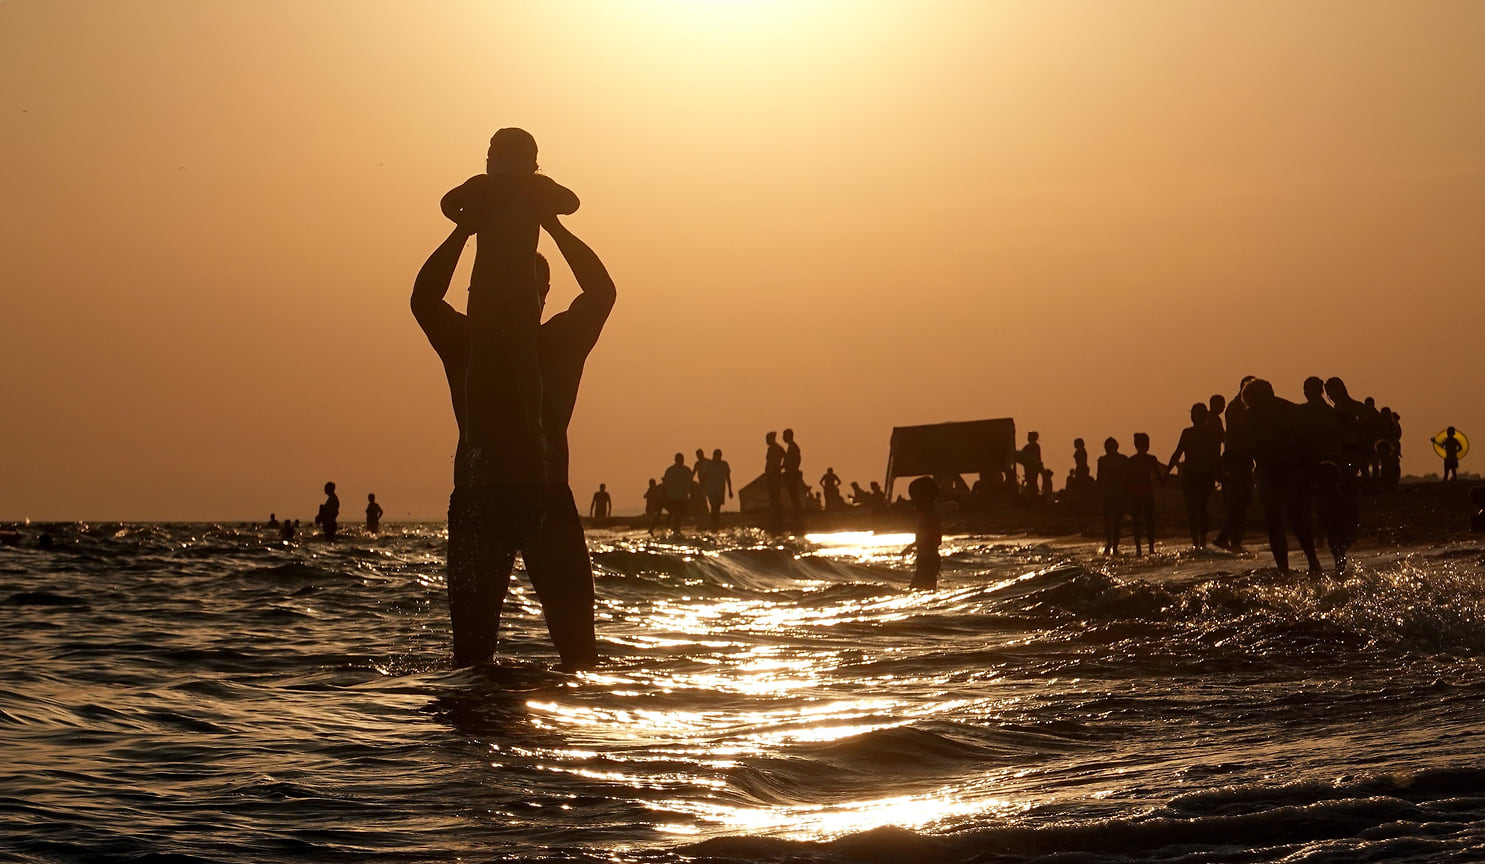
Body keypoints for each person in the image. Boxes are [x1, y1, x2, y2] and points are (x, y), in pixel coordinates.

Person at [411, 207, 614, 670]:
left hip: (540, 499)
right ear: (473, 296)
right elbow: (422, 299)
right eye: (489, 292)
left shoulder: (558, 343)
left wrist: (553, 225)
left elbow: (602, 293)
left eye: (518, 291)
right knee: (472, 661)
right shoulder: (465, 342)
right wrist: (464, 229)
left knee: (580, 658)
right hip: (482, 501)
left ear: (542, 295)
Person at [441, 128, 579, 478]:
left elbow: (571, 202)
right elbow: (447, 203)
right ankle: (475, 428)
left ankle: (533, 424)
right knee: (482, 356)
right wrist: (468, 222)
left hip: (519, 287)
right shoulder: (483, 187)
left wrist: (538, 194)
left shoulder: (526, 188)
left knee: (524, 356)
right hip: (488, 286)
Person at [1242, 378, 1322, 574]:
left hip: (1292, 472)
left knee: (1294, 521)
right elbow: (1248, 447)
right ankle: (1289, 568)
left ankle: (1308, 563)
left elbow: (1307, 441)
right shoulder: (1253, 416)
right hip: (1271, 473)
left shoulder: (1288, 412)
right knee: (1279, 523)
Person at [1166, 403, 1220, 549]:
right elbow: (1215, 457)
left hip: (1195, 476)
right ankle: (1199, 542)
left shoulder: (1191, 433)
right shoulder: (1208, 434)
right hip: (1201, 476)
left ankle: (1198, 542)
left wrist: (1166, 473)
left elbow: (1178, 453)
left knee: (1194, 510)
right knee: (1199, 509)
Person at [1214, 376, 1257, 553]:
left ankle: (1232, 539)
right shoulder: (1241, 407)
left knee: (1242, 499)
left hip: (1238, 457)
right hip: (1237, 458)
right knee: (1241, 499)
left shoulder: (1235, 406)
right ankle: (1227, 538)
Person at [1127, 432, 1163, 556]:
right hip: (1146, 491)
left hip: (1135, 492)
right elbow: (1159, 478)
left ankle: (1138, 549)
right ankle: (1151, 548)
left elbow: (1127, 479)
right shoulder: (1151, 459)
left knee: (1136, 522)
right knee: (1149, 521)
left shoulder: (1131, 461)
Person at [907, 476, 941, 590]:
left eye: (915, 498)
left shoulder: (929, 515)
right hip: (926, 560)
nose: (913, 502)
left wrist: (916, 545)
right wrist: (911, 546)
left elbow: (933, 538)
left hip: (928, 560)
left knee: (920, 587)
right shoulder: (926, 514)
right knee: (922, 587)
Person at [1097, 438, 1129, 555]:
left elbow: (1099, 479)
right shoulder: (1119, 459)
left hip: (1114, 493)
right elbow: (1099, 479)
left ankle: (1112, 544)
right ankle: (1112, 544)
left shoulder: (1107, 460)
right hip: (1113, 493)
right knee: (1113, 521)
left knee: (1113, 521)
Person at [701, 448, 733, 530]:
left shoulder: (724, 464)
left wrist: (730, 490)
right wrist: (702, 488)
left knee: (717, 508)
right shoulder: (708, 465)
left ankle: (715, 523)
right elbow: (704, 477)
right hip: (710, 489)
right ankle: (714, 524)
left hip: (720, 490)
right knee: (713, 506)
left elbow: (728, 478)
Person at [661, 453, 692, 536]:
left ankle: (676, 529)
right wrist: (663, 494)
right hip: (673, 496)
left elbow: (690, 483)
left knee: (679, 514)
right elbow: (665, 484)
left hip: (683, 496)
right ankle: (676, 530)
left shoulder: (687, 470)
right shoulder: (670, 470)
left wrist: (690, 493)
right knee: (675, 513)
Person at [781, 428, 804, 532]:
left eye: (784, 436)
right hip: (790, 473)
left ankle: (798, 514)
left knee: (794, 494)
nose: (783, 438)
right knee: (792, 494)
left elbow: (795, 461)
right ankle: (797, 513)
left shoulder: (793, 448)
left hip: (792, 474)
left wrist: (791, 470)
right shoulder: (791, 447)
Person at [764, 431, 785, 533]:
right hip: (770, 474)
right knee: (772, 494)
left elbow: (785, 458)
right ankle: (775, 512)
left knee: (775, 494)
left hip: (774, 474)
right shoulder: (771, 448)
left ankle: (777, 513)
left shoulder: (777, 449)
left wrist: (780, 468)